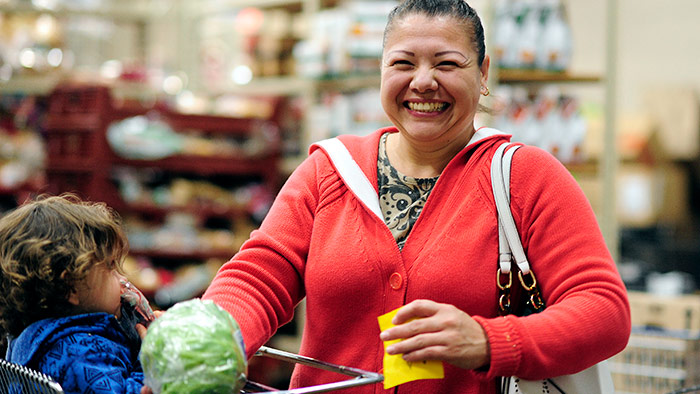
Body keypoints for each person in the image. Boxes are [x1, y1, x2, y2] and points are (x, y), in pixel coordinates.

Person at [202, 0, 631, 392]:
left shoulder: (525, 177)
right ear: (382, 70)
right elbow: (258, 278)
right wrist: (208, 337)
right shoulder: (329, 171)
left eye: (446, 64)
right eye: (403, 63)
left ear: (482, 74)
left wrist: (488, 342)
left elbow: (604, 310)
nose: (423, 82)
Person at [0, 194, 151, 394]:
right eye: (111, 267)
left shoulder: (32, 339)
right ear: (70, 287)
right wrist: (150, 360)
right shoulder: (81, 353)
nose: (123, 282)